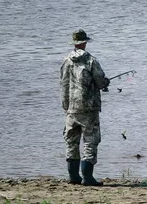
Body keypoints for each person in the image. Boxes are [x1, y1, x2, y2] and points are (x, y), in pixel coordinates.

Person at [60, 29, 110, 186]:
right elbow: (101, 82)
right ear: (85, 42)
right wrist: (106, 82)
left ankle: (73, 177)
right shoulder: (91, 61)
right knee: (90, 140)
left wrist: (65, 106)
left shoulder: (66, 60)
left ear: (74, 43)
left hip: (71, 109)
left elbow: (63, 84)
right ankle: (87, 178)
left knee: (71, 141)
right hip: (88, 109)